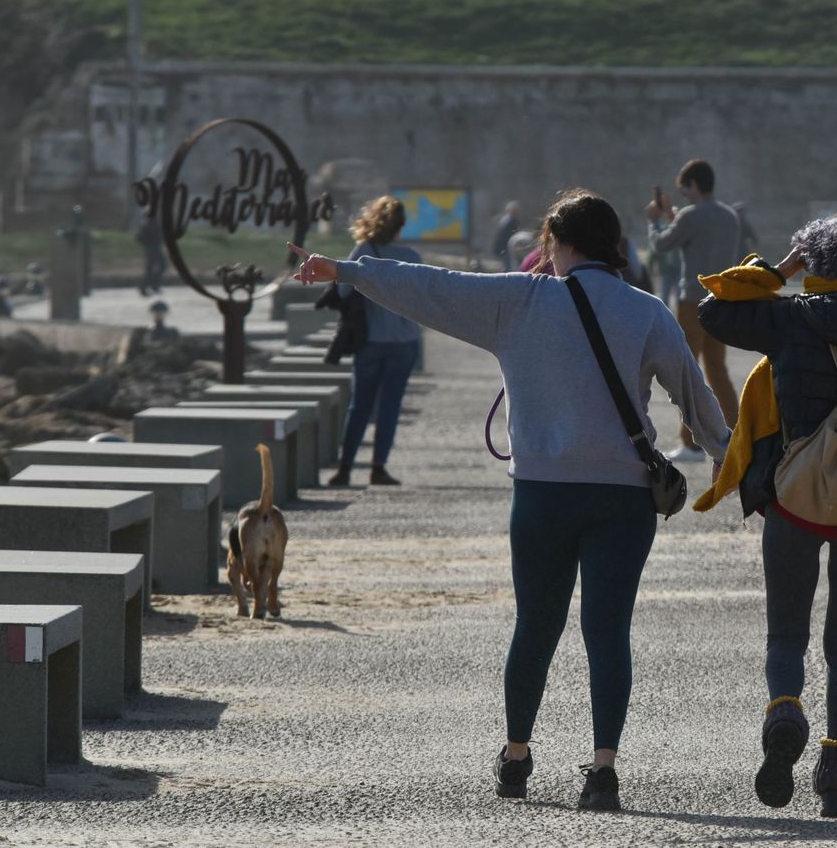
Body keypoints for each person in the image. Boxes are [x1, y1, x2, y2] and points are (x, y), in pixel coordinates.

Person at [290, 189, 731, 812]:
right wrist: (730, 456)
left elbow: (431, 287)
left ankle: (517, 758)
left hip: (543, 495)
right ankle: (603, 771)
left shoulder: (518, 300)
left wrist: (346, 270)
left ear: (557, 241)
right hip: (623, 496)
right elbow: (695, 394)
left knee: (535, 627)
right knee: (608, 632)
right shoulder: (646, 311)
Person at [694, 202, 837, 819]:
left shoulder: (791, 320)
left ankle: (784, 706)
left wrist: (779, 268)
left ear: (819, 259)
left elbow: (715, 312)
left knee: (786, 632)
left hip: (792, 499)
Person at [646, 159, 742, 462]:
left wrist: (655, 221)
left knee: (687, 372)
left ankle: (690, 444)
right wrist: (676, 217)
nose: (684, 195)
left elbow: (662, 244)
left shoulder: (689, 215)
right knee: (717, 369)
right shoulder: (730, 216)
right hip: (722, 299)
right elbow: (697, 234)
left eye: (685, 190)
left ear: (694, 185)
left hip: (692, 301)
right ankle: (738, 433)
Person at [327, 196, 425, 487]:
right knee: (390, 406)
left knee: (360, 405)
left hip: (370, 339)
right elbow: (423, 299)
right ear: (401, 226)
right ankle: (378, 468)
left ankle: (344, 469)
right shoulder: (412, 256)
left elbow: (343, 294)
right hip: (405, 340)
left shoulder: (362, 251)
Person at [136, 215, 164, 296]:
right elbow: (139, 238)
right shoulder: (149, 224)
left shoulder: (151, 224)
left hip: (155, 248)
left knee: (157, 268)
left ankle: (152, 286)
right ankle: (145, 286)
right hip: (152, 249)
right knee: (153, 268)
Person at [492, 200, 522, 265]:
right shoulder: (511, 221)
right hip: (507, 248)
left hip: (503, 248)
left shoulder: (504, 220)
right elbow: (511, 236)